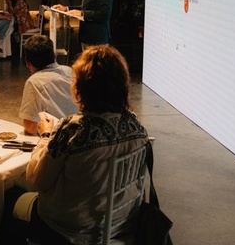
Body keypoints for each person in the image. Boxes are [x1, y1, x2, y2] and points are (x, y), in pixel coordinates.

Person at [10, 45, 148, 244]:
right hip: (122, 223)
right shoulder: (136, 126)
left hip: (71, 230)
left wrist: (46, 135)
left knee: (11, 197)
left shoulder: (72, 129)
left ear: (81, 87)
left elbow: (36, 181)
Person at [19, 35, 78, 135]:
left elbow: (30, 127)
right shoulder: (70, 71)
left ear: (28, 62)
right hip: (80, 132)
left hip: (55, 139)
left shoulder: (34, 82)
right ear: (54, 56)